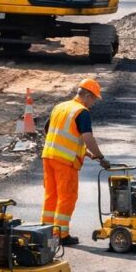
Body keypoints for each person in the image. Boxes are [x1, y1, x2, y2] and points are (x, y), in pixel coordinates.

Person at [40, 78, 110, 246]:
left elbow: (48, 130)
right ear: (86, 95)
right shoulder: (81, 112)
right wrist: (100, 157)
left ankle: (46, 232)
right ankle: (61, 234)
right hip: (65, 162)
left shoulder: (60, 107)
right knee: (67, 196)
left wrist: (83, 152)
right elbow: (87, 137)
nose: (92, 103)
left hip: (48, 157)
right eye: (93, 98)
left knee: (51, 195)